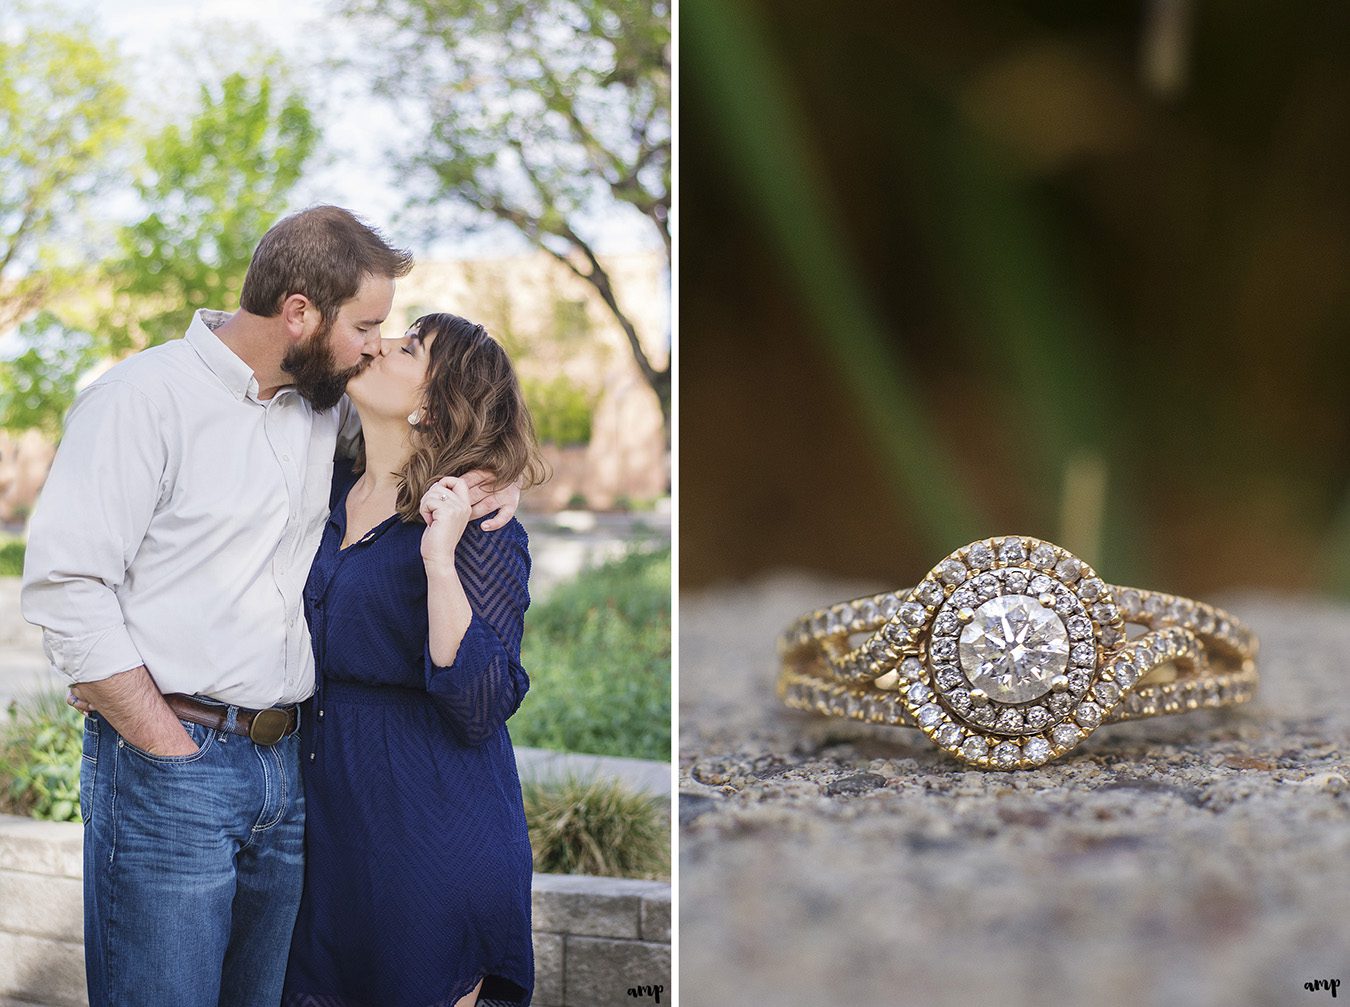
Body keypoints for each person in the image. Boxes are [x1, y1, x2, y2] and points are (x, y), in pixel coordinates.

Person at [20, 206, 521, 1007]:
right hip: (172, 761)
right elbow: (67, 585)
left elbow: (454, 428)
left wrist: (503, 477)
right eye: (366, 325)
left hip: (289, 780)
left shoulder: (320, 409)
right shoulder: (141, 399)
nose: (372, 344)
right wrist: (158, 737)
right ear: (299, 313)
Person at [281, 312, 547, 1007]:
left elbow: (479, 703)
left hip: (431, 840)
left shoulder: (481, 527)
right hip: (328, 838)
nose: (376, 346)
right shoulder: (324, 495)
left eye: (406, 348)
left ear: (432, 400)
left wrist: (439, 557)